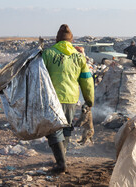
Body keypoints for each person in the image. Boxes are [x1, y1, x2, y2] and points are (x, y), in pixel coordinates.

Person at [42, 24, 94, 173]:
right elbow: (87, 80)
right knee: (66, 129)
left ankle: (61, 163)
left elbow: (39, 76)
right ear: (71, 40)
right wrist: (89, 101)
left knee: (54, 130)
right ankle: (62, 158)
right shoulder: (79, 57)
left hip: (53, 99)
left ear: (57, 39)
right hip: (71, 99)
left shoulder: (48, 54)